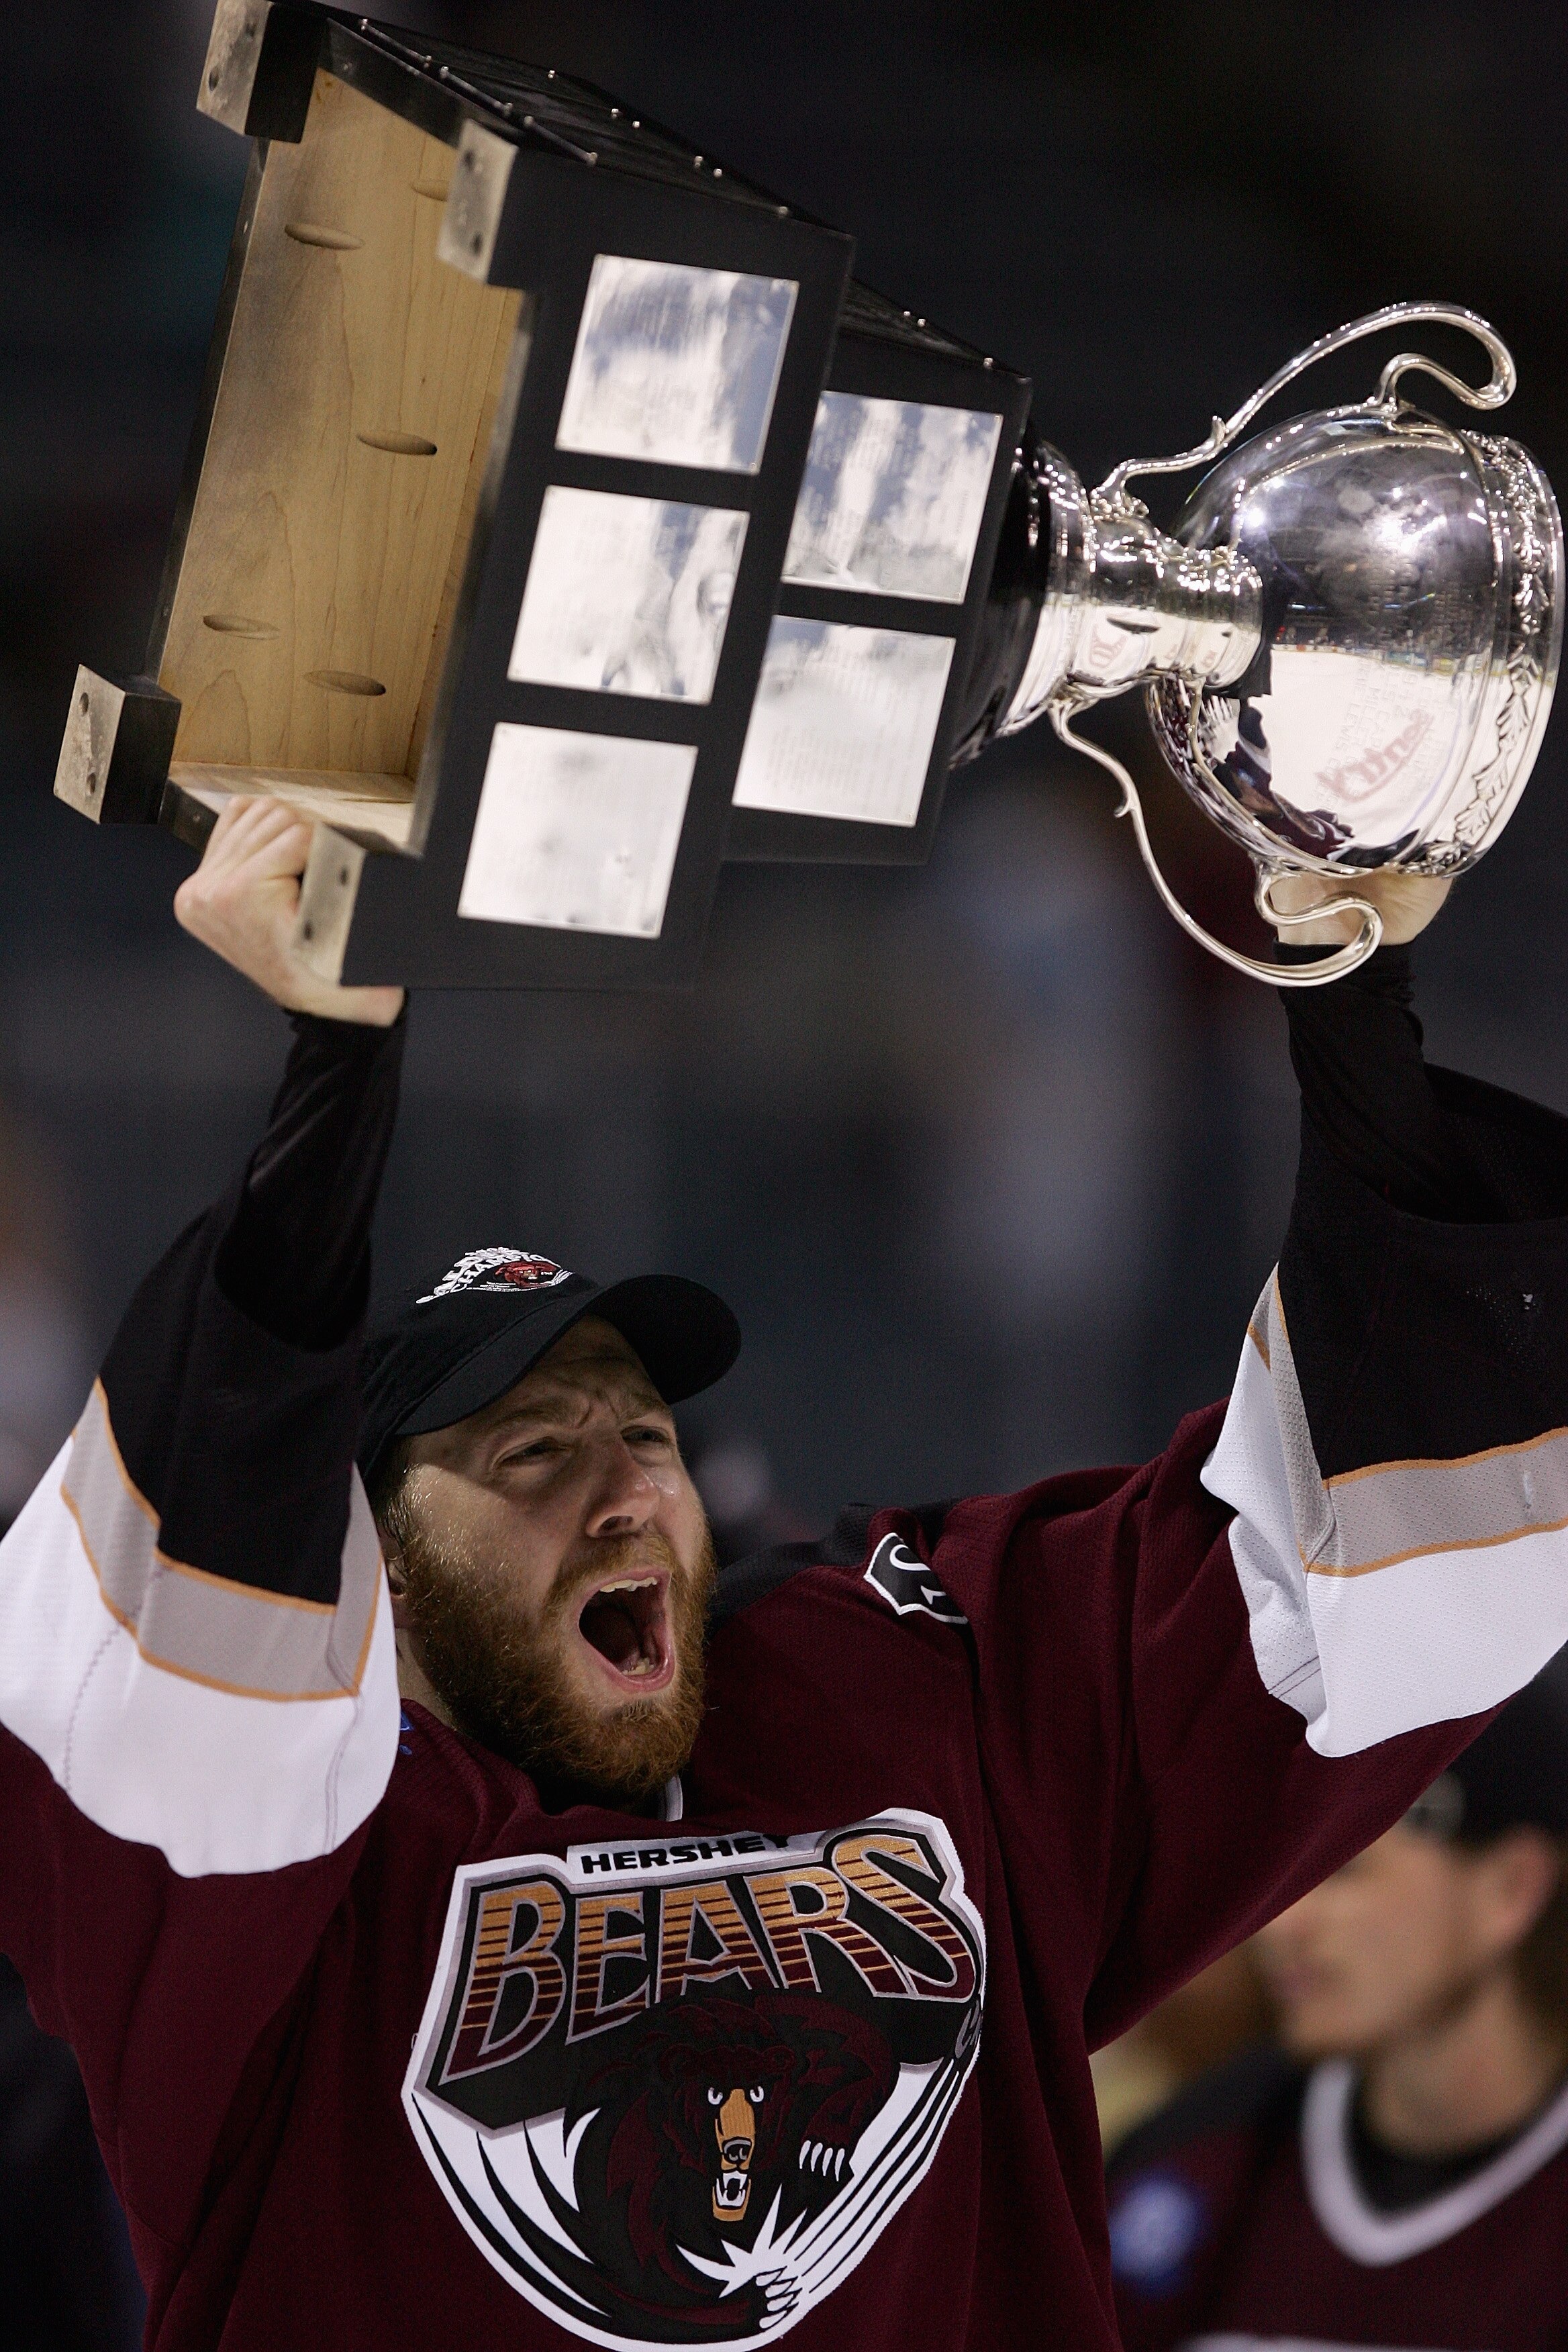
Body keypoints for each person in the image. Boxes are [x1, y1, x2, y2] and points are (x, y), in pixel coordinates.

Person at [3, 799, 1568, 2351]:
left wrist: (1348, 987)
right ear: (371, 1575)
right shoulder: (280, 1904)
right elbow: (178, 1678)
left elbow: (1347, 1567)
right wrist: (332, 1062)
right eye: (530, 1453)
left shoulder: (900, 1698)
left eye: (643, 1434)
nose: (623, 1486)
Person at [1106, 1658, 1568, 2351]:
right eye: (1284, 1872)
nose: (1279, 1922)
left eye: (1342, 1869)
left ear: (1509, 1889)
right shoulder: (1185, 2160)